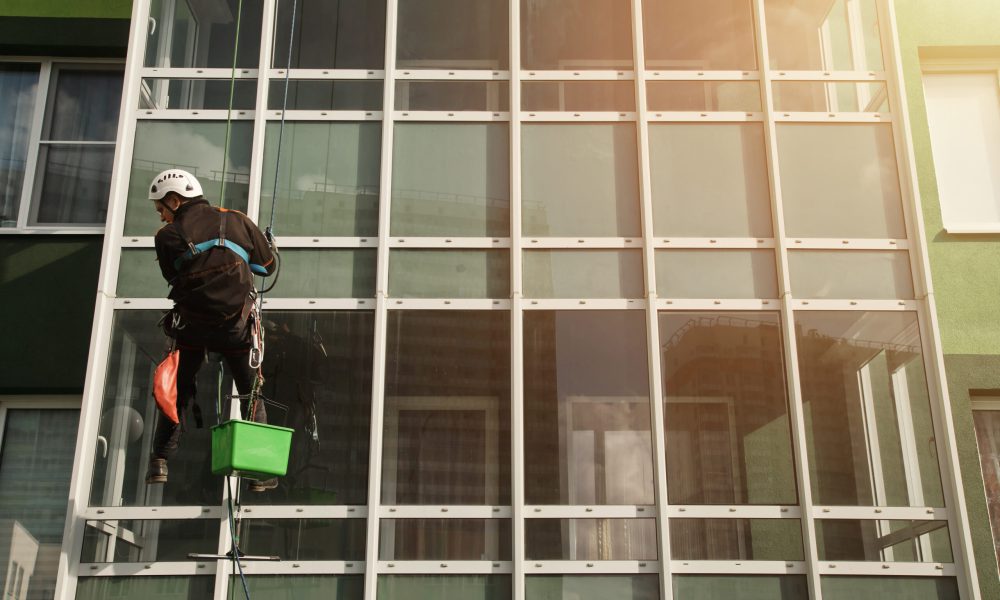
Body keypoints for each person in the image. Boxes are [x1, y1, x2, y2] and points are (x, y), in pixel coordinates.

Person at [144, 169, 277, 491]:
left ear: (175, 200)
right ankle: (261, 472)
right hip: (236, 327)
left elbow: (173, 277)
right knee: (251, 393)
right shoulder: (238, 220)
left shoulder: (166, 237)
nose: (161, 216)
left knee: (176, 390)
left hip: (192, 327)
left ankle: (160, 460)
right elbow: (266, 267)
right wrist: (263, 246)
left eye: (161, 208)